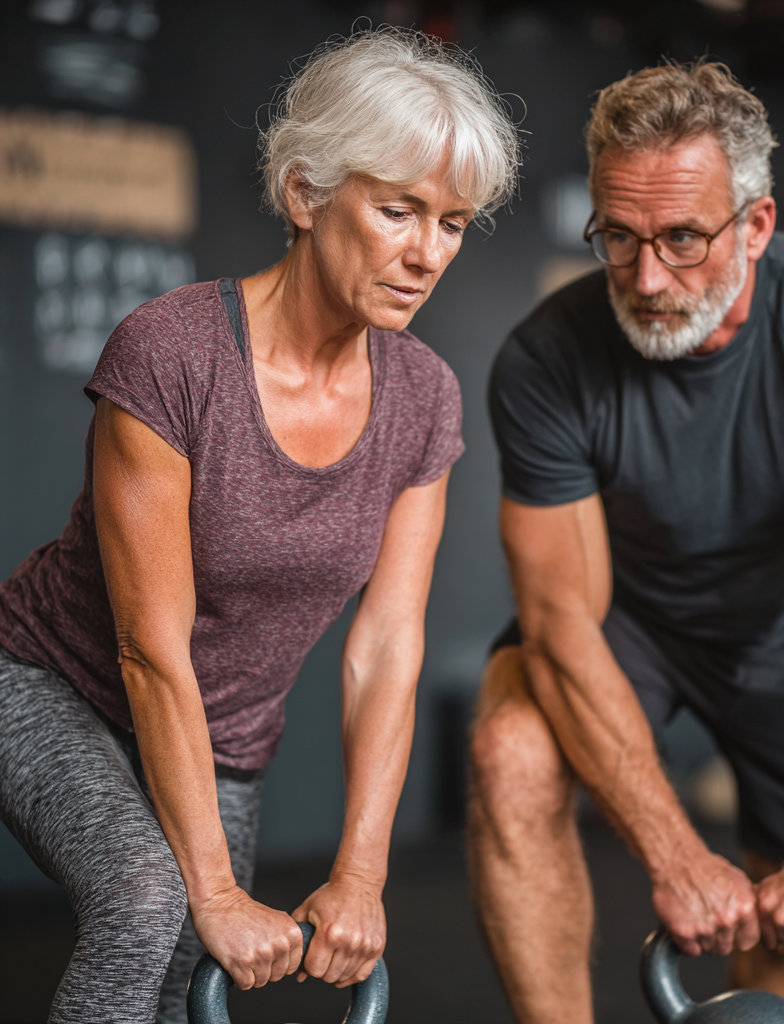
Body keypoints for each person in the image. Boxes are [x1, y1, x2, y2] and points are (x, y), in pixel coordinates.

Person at [0, 28, 517, 1024]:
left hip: (226, 732)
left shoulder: (423, 399)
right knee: (150, 902)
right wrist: (215, 885)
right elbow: (150, 647)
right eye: (397, 208)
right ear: (305, 194)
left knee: (193, 969)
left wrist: (360, 875)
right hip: (47, 682)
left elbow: (386, 646)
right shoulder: (173, 354)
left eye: (451, 223)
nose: (426, 253)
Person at [469, 59, 784, 1024]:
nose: (646, 278)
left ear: (755, 226)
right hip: (630, 629)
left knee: (780, 943)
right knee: (509, 747)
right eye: (618, 238)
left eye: (683, 238)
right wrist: (675, 857)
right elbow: (559, 626)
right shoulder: (545, 361)